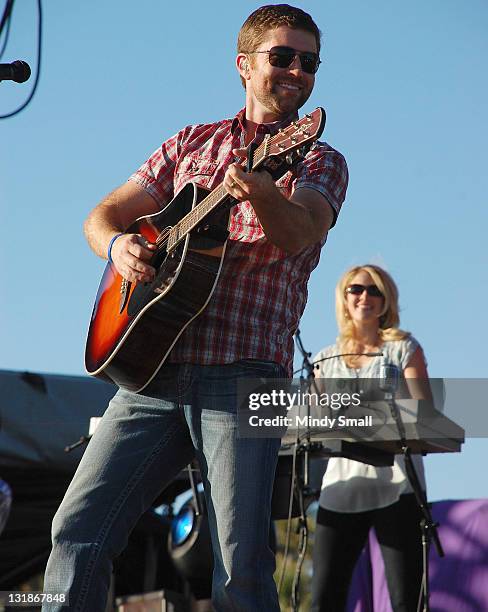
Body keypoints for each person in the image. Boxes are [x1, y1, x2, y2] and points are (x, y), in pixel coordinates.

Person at [42, 5, 348, 611]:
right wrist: (121, 246)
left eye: (309, 62)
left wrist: (261, 194)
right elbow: (100, 218)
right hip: (152, 373)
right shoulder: (191, 143)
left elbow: (299, 232)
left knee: (240, 565)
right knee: (76, 529)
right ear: (244, 65)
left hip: (246, 374)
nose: (296, 71)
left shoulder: (319, 158)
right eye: (281, 57)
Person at [311, 264, 432, 612]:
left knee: (406, 600)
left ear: (386, 300)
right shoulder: (322, 360)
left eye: (375, 290)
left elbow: (423, 413)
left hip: (397, 488)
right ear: (344, 298)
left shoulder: (404, 348)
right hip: (340, 490)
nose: (365, 296)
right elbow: (313, 425)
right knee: (323, 600)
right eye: (357, 289)